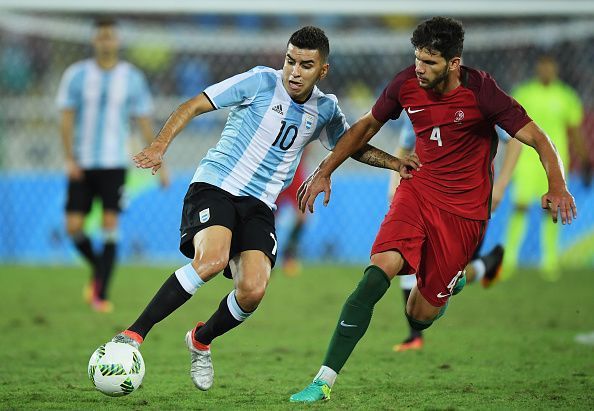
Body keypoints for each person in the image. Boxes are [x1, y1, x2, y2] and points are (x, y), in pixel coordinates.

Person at [290, 17, 577, 403]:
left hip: (463, 216)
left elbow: (538, 138)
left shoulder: (483, 93)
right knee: (376, 277)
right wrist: (325, 170)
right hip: (418, 191)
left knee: (418, 315)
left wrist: (557, 185)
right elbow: (365, 126)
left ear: (454, 63)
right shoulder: (406, 83)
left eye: (430, 63)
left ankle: (462, 276)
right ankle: (323, 380)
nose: (419, 69)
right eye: (417, 59)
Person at [109, 26, 408, 392]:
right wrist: (158, 145)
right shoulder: (260, 82)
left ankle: (201, 339)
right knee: (212, 260)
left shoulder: (325, 109)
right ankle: (133, 335)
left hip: (259, 205)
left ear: (323, 71)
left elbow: (350, 145)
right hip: (217, 185)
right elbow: (194, 104)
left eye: (306, 65)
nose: (295, 71)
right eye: (290, 61)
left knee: (252, 290)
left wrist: (396, 163)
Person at [56, 18, 168, 313]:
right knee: (73, 227)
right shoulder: (76, 75)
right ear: (95, 40)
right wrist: (68, 157)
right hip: (82, 162)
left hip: (114, 164)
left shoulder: (131, 78)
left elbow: (143, 119)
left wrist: (160, 161)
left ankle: (101, 295)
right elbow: (66, 118)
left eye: (110, 37)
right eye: (102, 37)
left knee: (109, 225)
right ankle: (98, 268)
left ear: (117, 41)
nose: (106, 41)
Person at [390, 120, 521, 352]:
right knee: (411, 258)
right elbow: (404, 145)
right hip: (427, 199)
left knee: (455, 275)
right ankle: (414, 335)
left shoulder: (480, 98)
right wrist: (394, 187)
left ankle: (486, 264)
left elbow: (515, 140)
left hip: (469, 206)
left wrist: (500, 186)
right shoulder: (419, 101)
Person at [504, 54, 589, 280]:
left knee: (552, 210)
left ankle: (549, 262)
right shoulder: (524, 93)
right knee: (519, 207)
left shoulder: (566, 96)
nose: (546, 70)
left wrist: (585, 158)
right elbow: (510, 130)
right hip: (526, 161)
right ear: (537, 68)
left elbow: (574, 132)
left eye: (550, 67)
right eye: (542, 66)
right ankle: (509, 260)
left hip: (555, 163)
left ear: (556, 69)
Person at [274, 148, 310, 276]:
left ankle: (289, 255)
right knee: (267, 214)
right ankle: (263, 256)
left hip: (294, 169)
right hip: (274, 168)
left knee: (303, 215)